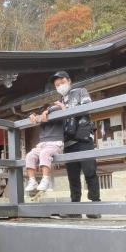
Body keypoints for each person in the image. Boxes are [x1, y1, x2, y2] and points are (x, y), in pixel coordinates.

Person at [50, 70, 101, 219]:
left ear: (69, 81)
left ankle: (95, 206)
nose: (60, 86)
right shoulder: (60, 100)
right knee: (72, 176)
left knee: (90, 172)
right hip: (68, 143)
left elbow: (87, 108)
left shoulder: (80, 91)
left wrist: (66, 110)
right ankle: (75, 208)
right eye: (57, 85)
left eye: (62, 83)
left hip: (84, 138)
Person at [25, 103, 64, 192]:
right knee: (29, 156)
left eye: (47, 109)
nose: (44, 111)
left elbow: (58, 108)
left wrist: (48, 111)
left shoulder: (57, 112)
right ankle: (32, 181)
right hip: (43, 144)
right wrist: (32, 115)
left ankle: (45, 179)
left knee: (45, 153)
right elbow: (30, 115)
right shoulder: (41, 116)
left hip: (55, 143)